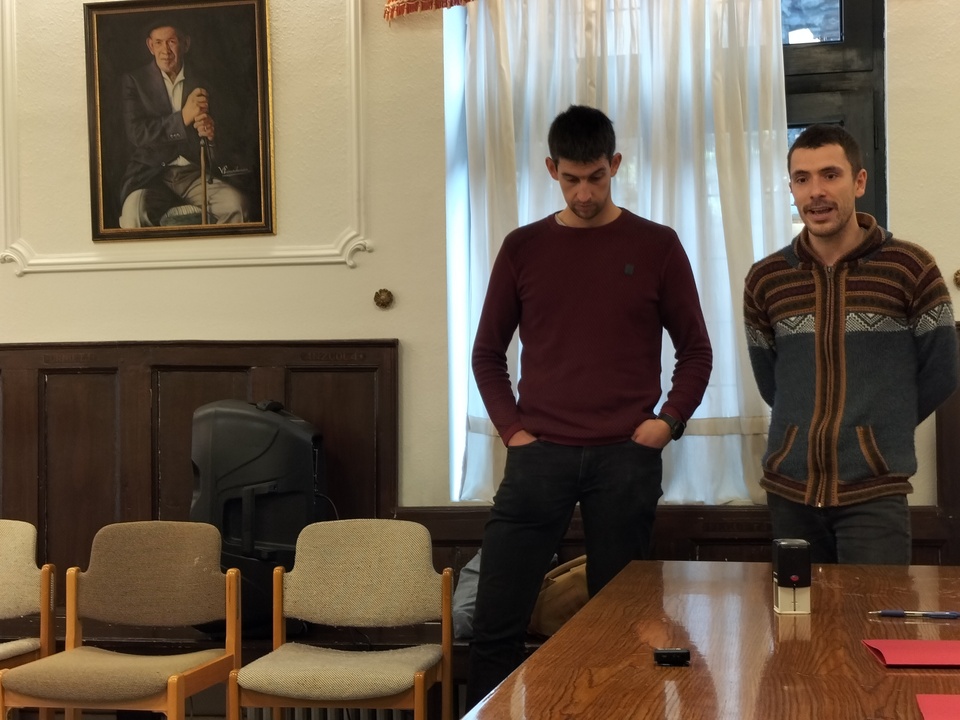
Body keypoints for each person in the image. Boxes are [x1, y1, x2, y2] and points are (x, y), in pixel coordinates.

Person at [466, 105, 713, 707]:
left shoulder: (657, 245)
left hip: (625, 457)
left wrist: (667, 422)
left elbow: (697, 351)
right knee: (495, 619)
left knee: (623, 622)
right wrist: (513, 432)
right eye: (572, 179)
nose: (584, 193)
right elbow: (487, 354)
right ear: (551, 169)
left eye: (596, 177)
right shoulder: (523, 247)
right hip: (538, 455)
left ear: (615, 165)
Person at [743, 123, 959, 565]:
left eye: (830, 174)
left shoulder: (910, 268)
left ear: (859, 182)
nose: (816, 192)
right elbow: (772, 380)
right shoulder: (766, 279)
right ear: (791, 189)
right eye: (802, 179)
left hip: (874, 493)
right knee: (799, 611)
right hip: (790, 491)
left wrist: (876, 433)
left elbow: (942, 372)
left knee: (874, 609)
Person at [117, 19, 249, 227]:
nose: (165, 51)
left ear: (185, 44)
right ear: (150, 46)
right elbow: (137, 134)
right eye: (158, 43)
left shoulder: (206, 81)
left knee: (238, 206)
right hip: (150, 176)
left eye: (171, 42)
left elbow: (228, 140)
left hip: (195, 173)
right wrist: (183, 117)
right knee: (134, 214)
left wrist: (211, 135)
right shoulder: (134, 81)